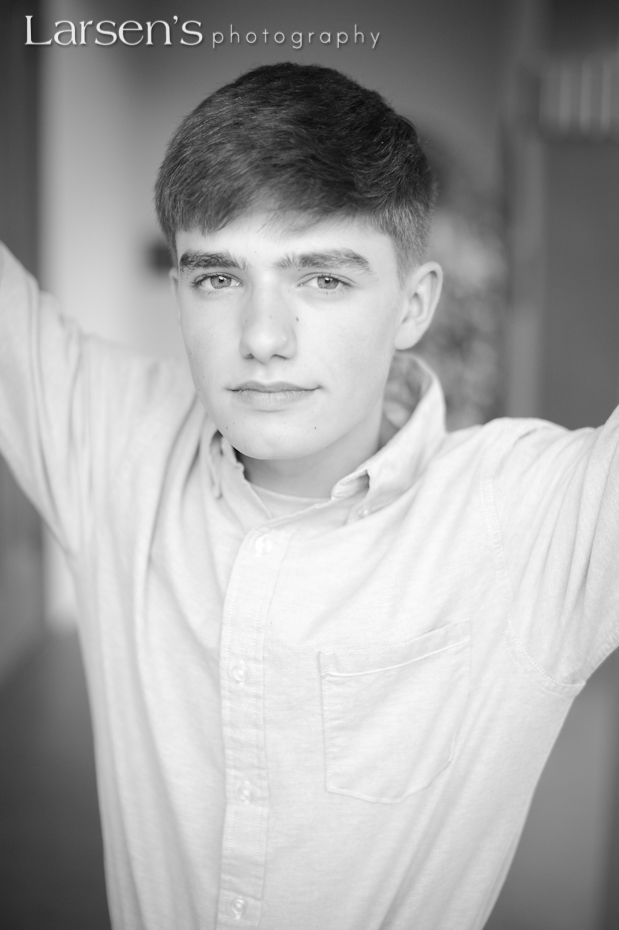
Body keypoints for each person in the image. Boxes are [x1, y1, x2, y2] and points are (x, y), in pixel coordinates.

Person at [0, 62, 617, 930]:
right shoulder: (114, 441)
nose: (262, 337)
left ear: (413, 305)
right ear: (178, 291)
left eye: (323, 279)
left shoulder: (537, 518)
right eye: (218, 278)